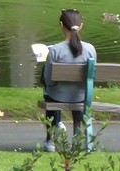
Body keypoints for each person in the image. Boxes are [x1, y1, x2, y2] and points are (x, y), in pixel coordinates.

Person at [41, 9, 96, 152]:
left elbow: (48, 80)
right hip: (81, 97)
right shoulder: (90, 49)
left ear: (61, 25)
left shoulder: (54, 50)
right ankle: (77, 140)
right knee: (79, 94)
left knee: (48, 93)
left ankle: (51, 141)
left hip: (57, 96)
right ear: (81, 25)